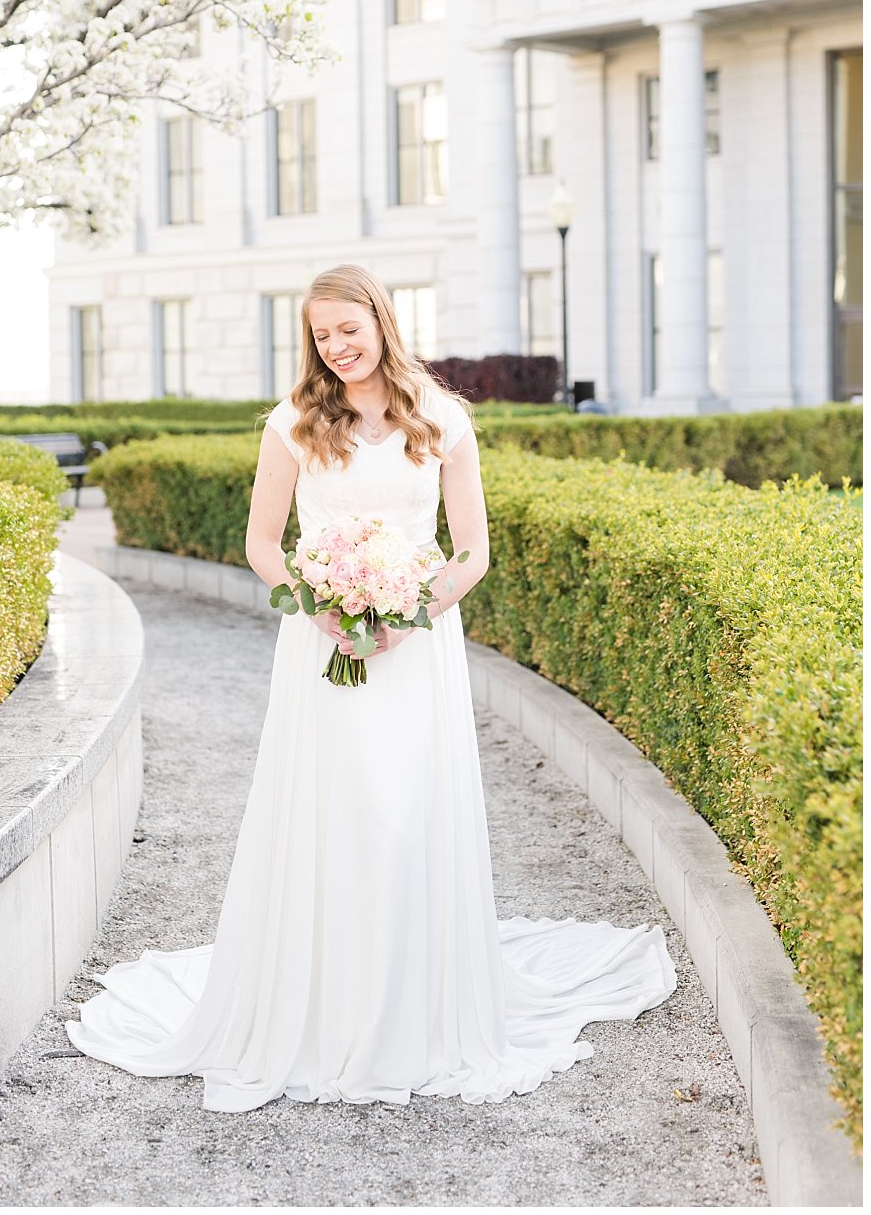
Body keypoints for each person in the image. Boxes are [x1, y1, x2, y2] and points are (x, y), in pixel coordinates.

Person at [66, 263, 674, 1108]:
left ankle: (413, 1004)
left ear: (381, 322)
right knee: (340, 812)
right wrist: (320, 604)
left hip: (418, 647)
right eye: (321, 335)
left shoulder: (441, 420)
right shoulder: (293, 423)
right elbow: (261, 542)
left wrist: (408, 610)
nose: (337, 346)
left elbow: (471, 551)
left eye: (348, 328)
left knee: (403, 812)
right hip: (321, 647)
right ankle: (329, 1004)